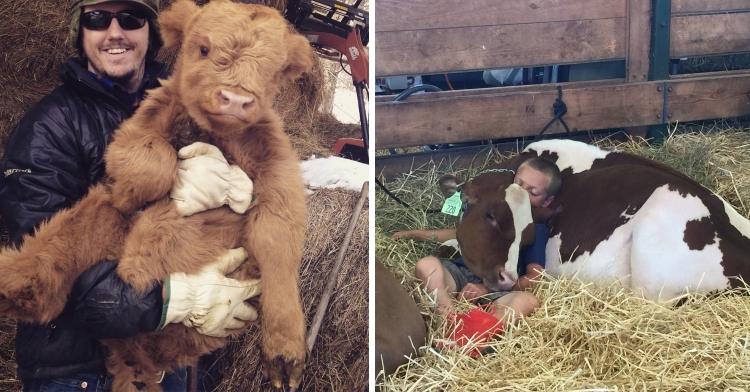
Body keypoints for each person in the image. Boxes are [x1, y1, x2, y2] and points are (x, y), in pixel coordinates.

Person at [0, 1, 258, 390]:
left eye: (131, 18)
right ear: (81, 32)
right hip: (82, 369)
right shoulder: (48, 127)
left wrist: (239, 186)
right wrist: (169, 300)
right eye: (98, 19)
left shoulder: (191, 104)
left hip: (179, 356)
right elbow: (43, 271)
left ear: (151, 31)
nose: (115, 32)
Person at [394, 157, 562, 327]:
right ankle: (450, 322)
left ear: (546, 201)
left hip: (498, 285)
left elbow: (535, 277)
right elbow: (459, 233)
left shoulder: (535, 229)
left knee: (529, 302)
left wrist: (485, 288)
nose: (522, 194)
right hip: (460, 275)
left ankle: (477, 334)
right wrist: (414, 234)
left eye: (533, 193)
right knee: (426, 265)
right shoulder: (494, 208)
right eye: (519, 185)